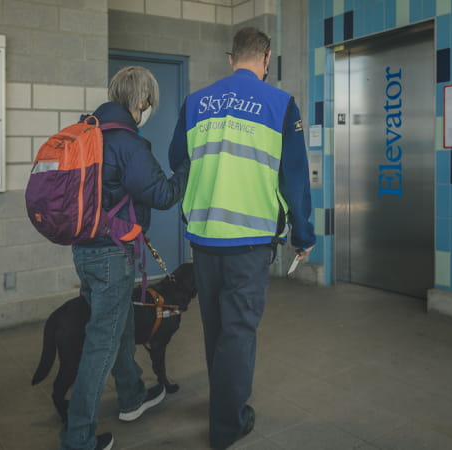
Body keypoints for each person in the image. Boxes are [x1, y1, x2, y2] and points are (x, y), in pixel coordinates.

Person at [168, 27, 316, 449]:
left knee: (216, 329)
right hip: (249, 242)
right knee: (238, 333)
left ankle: (222, 405)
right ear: (266, 59)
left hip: (204, 237)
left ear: (231, 58)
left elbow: (177, 159)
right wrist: (302, 235)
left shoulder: (196, 102)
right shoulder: (281, 104)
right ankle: (226, 426)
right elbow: (295, 180)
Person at [61, 66, 189, 450]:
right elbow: (163, 195)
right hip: (111, 256)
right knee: (101, 341)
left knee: (118, 327)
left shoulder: (87, 132)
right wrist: (188, 165)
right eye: (151, 102)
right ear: (143, 102)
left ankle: (132, 396)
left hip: (84, 250)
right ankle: (78, 438)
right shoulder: (127, 143)